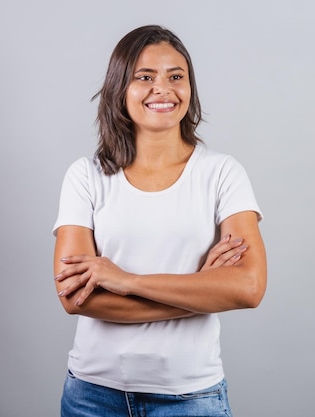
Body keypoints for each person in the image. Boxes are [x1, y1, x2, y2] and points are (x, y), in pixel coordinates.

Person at [52, 24, 267, 417]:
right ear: (121, 87)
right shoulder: (85, 176)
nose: (162, 89)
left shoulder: (222, 173)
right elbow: (74, 296)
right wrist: (201, 292)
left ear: (190, 88)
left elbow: (249, 288)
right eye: (145, 77)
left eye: (176, 76)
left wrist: (126, 280)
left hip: (190, 397)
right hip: (92, 396)